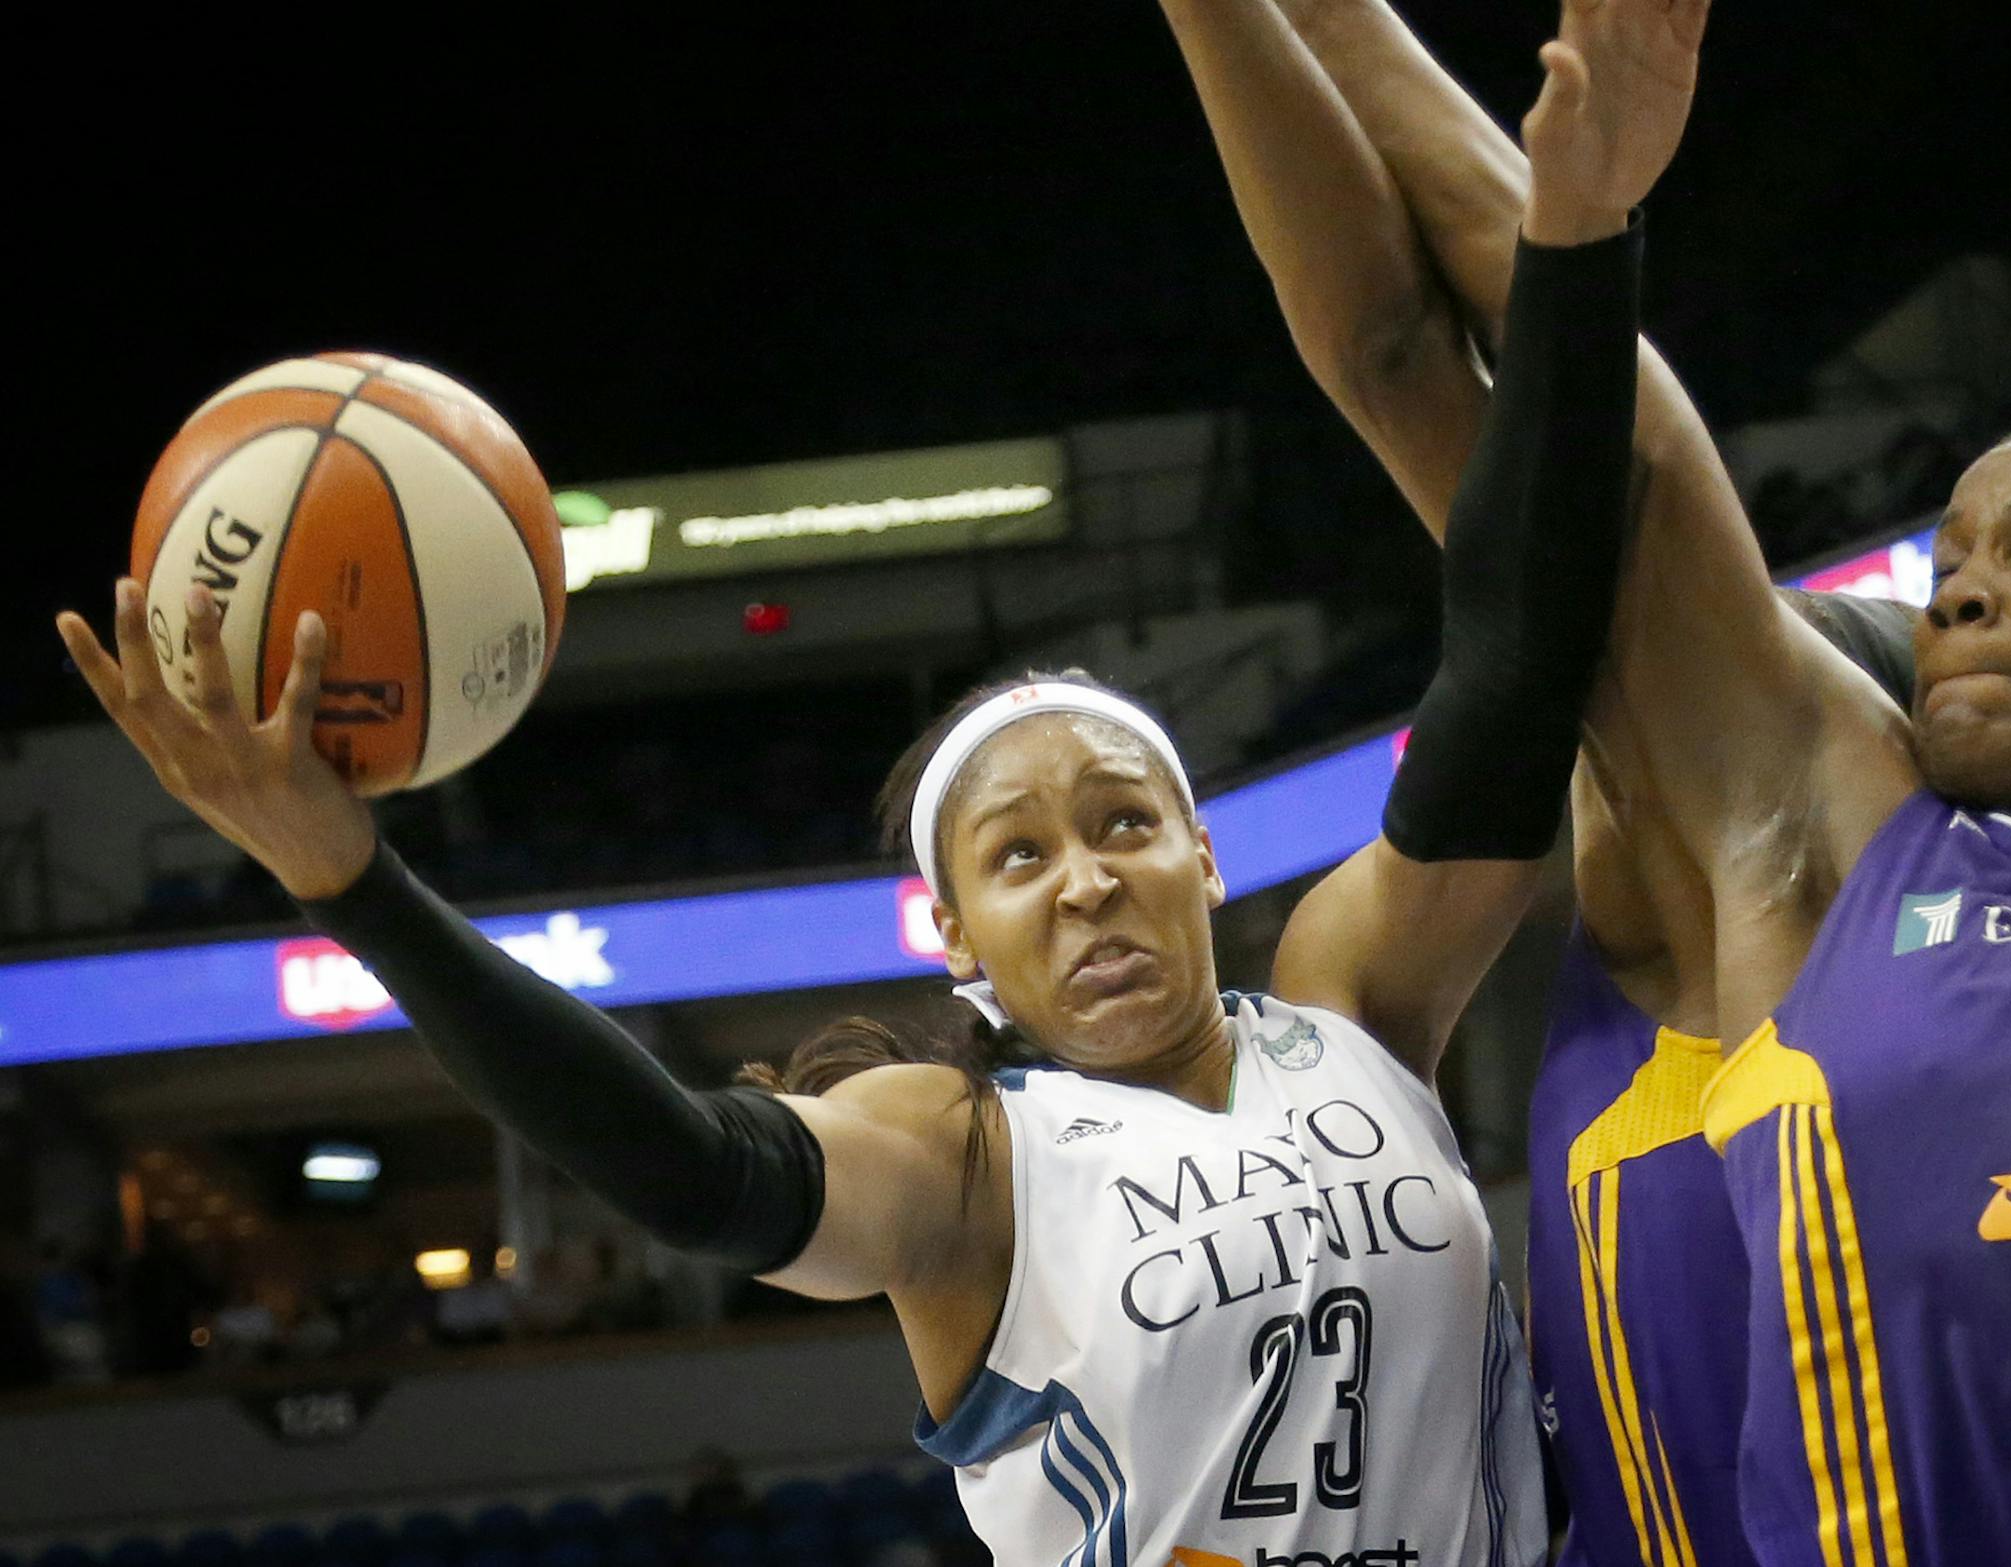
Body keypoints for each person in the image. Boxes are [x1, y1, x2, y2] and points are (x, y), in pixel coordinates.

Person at [52, 2, 1692, 1555]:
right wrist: (358, 886)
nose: (1088, 874)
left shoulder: (1350, 1009)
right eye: (1020, 856)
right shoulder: (968, 1157)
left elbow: (1515, 659)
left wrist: (1576, 238)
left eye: (1123, 822)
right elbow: (697, 1176)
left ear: (1202, 858)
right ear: (957, 940)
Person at [1157, 2, 1911, 1561]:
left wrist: (1578, 219)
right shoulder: (1680, 893)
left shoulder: (1818, 835)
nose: (1968, 586)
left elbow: (1517, 414)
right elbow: (1402, 372)